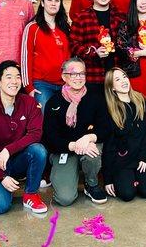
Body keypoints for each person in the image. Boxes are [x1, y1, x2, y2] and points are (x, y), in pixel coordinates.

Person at [0, 60, 48, 214]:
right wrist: (1, 176)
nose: (14, 81)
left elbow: (35, 134)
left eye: (17, 77)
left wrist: (8, 150)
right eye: (9, 77)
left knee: (38, 150)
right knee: (1, 207)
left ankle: (31, 194)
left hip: (18, 159)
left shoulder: (29, 103)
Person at [42, 58, 110, 206]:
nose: (78, 77)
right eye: (73, 74)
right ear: (64, 76)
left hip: (88, 146)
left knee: (93, 153)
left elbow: (105, 127)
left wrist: (89, 137)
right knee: (65, 199)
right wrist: (73, 145)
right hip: (64, 149)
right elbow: (50, 138)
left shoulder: (95, 97)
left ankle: (91, 184)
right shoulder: (54, 102)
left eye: (82, 73)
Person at [103, 68, 146, 201]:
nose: (123, 81)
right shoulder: (110, 109)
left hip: (141, 158)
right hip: (122, 161)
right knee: (127, 194)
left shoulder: (142, 101)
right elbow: (109, 145)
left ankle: (138, 179)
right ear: (112, 88)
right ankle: (129, 179)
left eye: (124, 77)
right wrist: (108, 178)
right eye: (117, 79)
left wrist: (145, 157)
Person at [70, 0, 125, 95]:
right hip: (92, 76)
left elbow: (127, 42)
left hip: (116, 76)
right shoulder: (81, 17)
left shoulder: (120, 16)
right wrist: (93, 52)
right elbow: (73, 45)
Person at [21, 0, 71, 110]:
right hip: (42, 84)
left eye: (57, 0)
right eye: (49, 0)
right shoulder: (32, 27)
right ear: (42, 3)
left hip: (64, 84)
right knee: (45, 122)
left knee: (65, 122)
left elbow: (70, 57)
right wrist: (29, 87)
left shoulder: (65, 28)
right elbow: (25, 57)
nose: (53, 3)